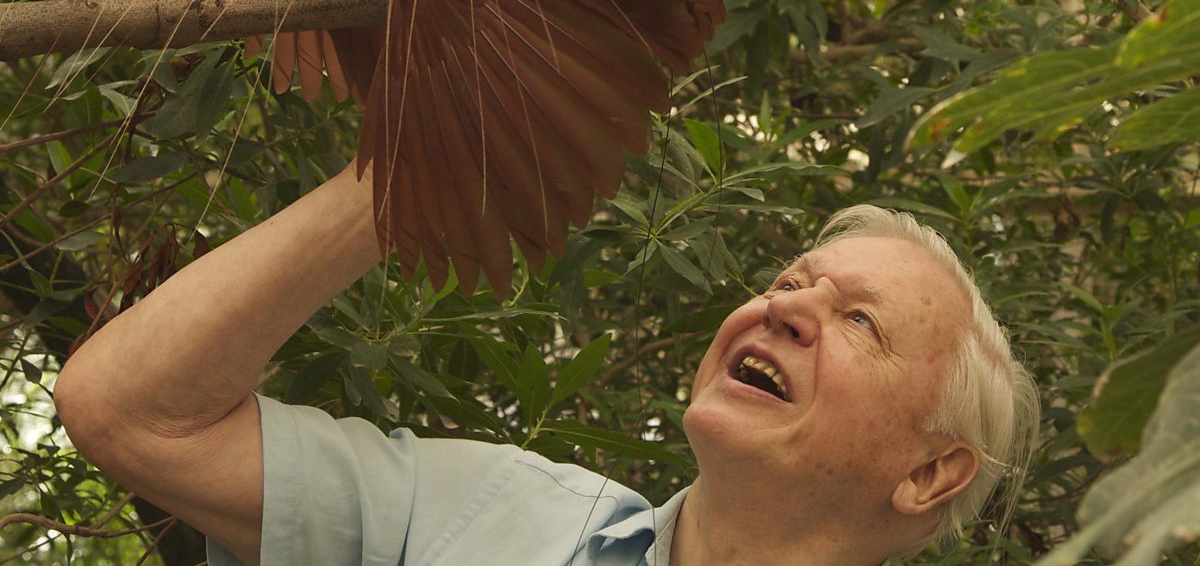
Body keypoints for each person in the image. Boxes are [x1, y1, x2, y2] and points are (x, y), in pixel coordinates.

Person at [53, 161, 1040, 565]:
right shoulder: (487, 514)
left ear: (931, 471)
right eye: (790, 280)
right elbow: (128, 411)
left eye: (858, 320)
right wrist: (419, 162)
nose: (786, 308)